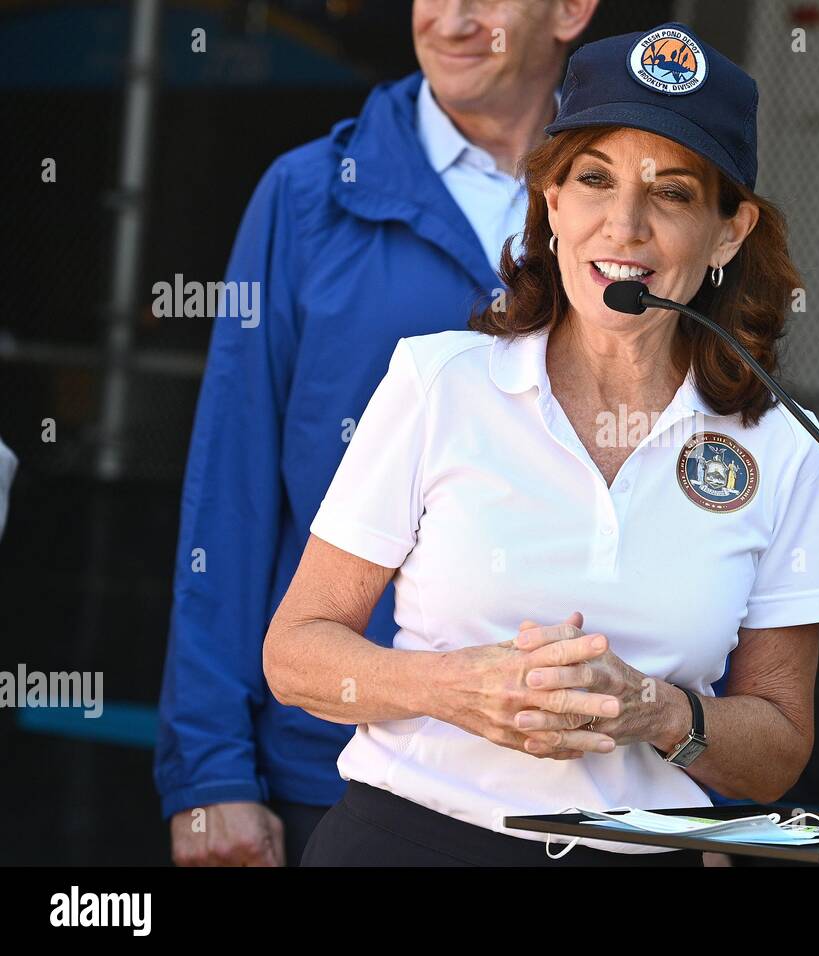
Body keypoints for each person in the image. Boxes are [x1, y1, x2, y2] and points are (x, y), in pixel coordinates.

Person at [264, 21, 819, 866]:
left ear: (730, 231)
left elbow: (779, 752)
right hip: (410, 843)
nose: (625, 225)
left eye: (673, 192)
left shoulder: (785, 444)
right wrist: (458, 690)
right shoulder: (441, 384)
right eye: (594, 180)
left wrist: (657, 711)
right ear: (550, 202)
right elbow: (296, 655)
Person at [156, 0, 600, 867]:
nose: (452, 18)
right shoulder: (306, 193)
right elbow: (231, 491)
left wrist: (709, 799)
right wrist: (211, 776)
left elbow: (696, 497)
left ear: (570, 10)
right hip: (337, 771)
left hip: (588, 788)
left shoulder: (633, 212)